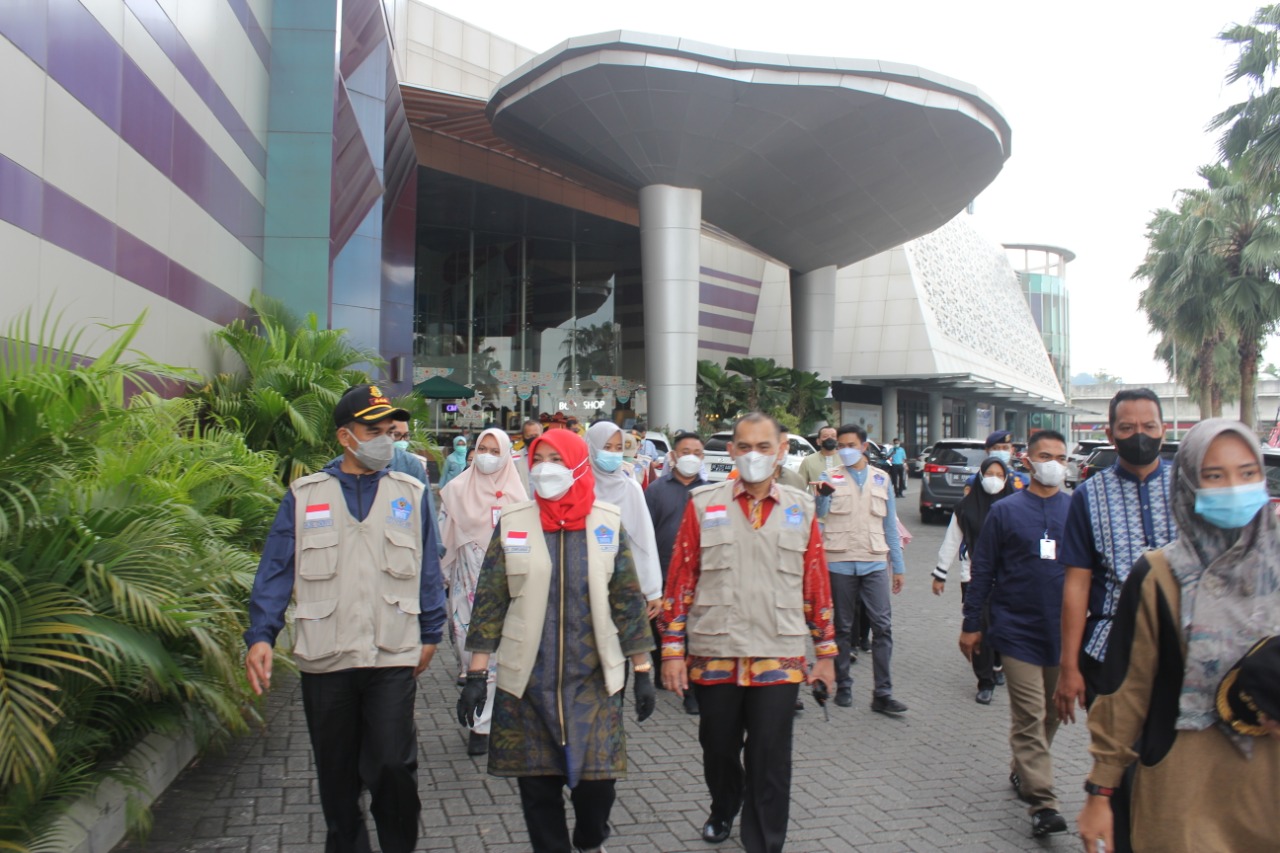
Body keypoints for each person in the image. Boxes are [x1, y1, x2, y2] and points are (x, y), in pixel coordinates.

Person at [244, 384, 446, 853]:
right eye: (371, 430)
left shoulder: (410, 493)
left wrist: (431, 632)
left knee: (394, 766)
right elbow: (275, 570)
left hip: (392, 652)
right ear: (344, 436)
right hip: (326, 658)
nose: (384, 440)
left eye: (388, 431)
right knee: (336, 778)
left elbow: (428, 569)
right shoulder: (305, 495)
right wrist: (261, 635)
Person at [1076, 419, 1280, 853]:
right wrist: (1100, 792)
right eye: (1214, 475)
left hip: (1269, 789)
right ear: (1187, 483)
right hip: (1184, 790)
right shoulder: (1159, 576)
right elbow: (1125, 693)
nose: (1234, 487)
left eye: (1247, 473)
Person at [458, 428, 655, 853]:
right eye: (539, 458)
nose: (546, 469)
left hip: (595, 681)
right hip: (528, 680)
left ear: (578, 464)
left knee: (596, 788)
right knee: (538, 791)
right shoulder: (513, 524)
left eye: (557, 460)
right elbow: (490, 600)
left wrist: (641, 669)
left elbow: (626, 599)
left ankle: (589, 840)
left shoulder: (606, 522)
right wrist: (476, 673)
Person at [661, 412, 836, 853]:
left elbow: (816, 583)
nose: (753, 455)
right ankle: (725, 805)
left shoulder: (801, 508)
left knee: (770, 758)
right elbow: (681, 580)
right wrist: (672, 651)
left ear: (781, 451)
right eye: (744, 446)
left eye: (763, 447)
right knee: (718, 749)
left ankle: (764, 842)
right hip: (714, 650)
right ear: (732, 451)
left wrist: (827, 654)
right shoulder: (703, 504)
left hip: (778, 654)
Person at [1054, 389, 1176, 852]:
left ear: (1164, 430)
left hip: (1181, 649)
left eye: (1148, 427)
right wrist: (1068, 669)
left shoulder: (1189, 486)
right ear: (1110, 434)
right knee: (1117, 763)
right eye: (1127, 428)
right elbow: (1076, 585)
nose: (1139, 436)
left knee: (1169, 762)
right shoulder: (1088, 495)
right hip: (1110, 651)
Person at [959, 430, 1072, 839]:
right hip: (1015, 630)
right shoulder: (1005, 511)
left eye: (1061, 456)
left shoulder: (1076, 510)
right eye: (1046, 455)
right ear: (1027, 460)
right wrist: (972, 623)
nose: (1054, 463)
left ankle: (1022, 767)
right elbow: (983, 569)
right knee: (1029, 715)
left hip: (1062, 633)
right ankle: (1043, 802)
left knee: (1054, 712)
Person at [437, 427, 528, 756]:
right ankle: (480, 717)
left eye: (494, 450)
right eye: (483, 448)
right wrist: (440, 578)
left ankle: (486, 726)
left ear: (505, 454)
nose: (487, 456)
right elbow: (443, 540)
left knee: (504, 656)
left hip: (508, 590)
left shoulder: (519, 497)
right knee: (472, 651)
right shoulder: (456, 490)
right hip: (467, 586)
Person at [814, 423, 908, 713]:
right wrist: (824, 495)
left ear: (864, 446)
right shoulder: (828, 476)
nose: (844, 450)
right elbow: (819, 515)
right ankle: (843, 685)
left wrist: (899, 566)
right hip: (839, 561)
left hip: (875, 561)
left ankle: (883, 693)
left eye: (850, 444)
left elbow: (890, 525)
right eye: (840, 445)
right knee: (842, 627)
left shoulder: (882, 478)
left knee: (883, 627)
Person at [932, 456, 1015, 703]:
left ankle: (998, 662)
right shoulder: (966, 507)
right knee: (978, 626)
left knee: (1002, 625)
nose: (995, 480)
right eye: (990, 474)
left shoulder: (1016, 506)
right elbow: (951, 540)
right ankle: (985, 680)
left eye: (1000, 475)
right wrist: (940, 573)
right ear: (980, 476)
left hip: (1008, 579)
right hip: (974, 576)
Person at [645, 430, 707, 713]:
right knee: (663, 628)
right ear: (673, 456)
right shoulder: (656, 491)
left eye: (697, 453)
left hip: (698, 577)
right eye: (685, 452)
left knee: (692, 634)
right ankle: (663, 669)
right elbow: (645, 533)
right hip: (663, 573)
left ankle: (692, 692)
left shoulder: (708, 493)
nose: (691, 458)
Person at [585, 421, 664, 618]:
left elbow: (643, 540)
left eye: (618, 448)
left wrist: (652, 589)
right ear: (590, 447)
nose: (612, 453)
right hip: (583, 585)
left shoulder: (631, 489)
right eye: (606, 447)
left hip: (622, 585)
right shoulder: (577, 488)